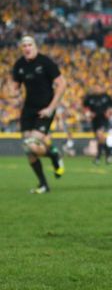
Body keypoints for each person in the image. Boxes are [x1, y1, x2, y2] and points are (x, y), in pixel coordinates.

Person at [11, 35, 66, 194]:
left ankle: (54, 155)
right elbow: (15, 87)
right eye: (24, 46)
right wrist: (13, 94)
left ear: (35, 46)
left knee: (32, 144)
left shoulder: (45, 62)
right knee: (29, 151)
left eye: (29, 45)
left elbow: (62, 84)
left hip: (45, 109)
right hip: (28, 110)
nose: (27, 48)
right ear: (21, 48)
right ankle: (43, 184)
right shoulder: (19, 65)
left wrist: (51, 107)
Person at [83, 83, 112, 165]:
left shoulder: (105, 96)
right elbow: (85, 108)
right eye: (95, 88)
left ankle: (98, 157)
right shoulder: (89, 98)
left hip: (103, 119)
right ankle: (108, 154)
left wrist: (109, 113)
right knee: (100, 139)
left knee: (100, 135)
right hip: (95, 120)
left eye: (98, 87)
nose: (96, 89)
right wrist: (89, 114)